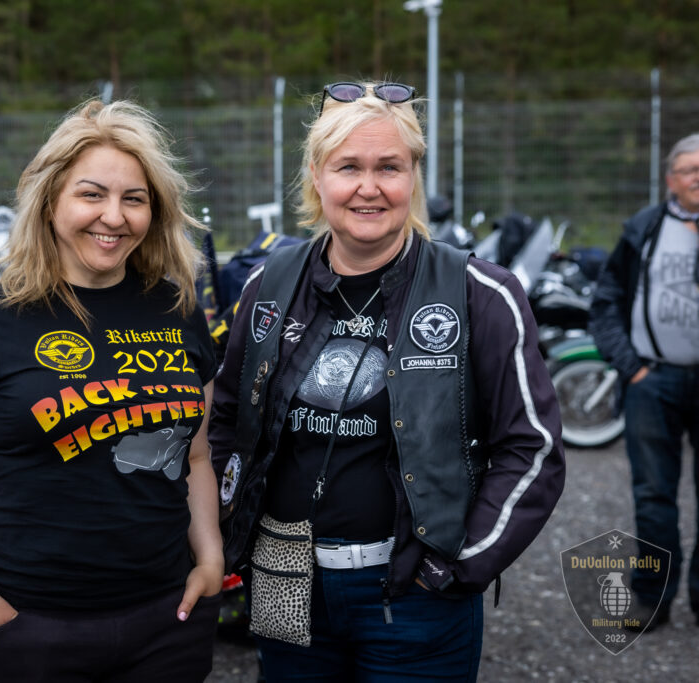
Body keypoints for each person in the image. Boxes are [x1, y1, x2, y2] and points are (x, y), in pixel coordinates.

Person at [209, 82, 566, 681]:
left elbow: (533, 447)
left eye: (389, 167)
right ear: (317, 176)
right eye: (348, 166)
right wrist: (226, 534)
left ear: (413, 177)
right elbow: (225, 422)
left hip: (416, 595)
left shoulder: (481, 292)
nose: (369, 187)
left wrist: (457, 566)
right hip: (282, 577)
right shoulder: (266, 284)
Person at [0, 99, 223, 683]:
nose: (114, 216)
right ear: (51, 201)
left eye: (134, 199)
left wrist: (209, 559)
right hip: (28, 626)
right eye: (91, 194)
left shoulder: (176, 309)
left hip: (166, 621)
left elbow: (196, 454)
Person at [590, 133, 699, 631]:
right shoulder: (644, 229)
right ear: (671, 180)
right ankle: (653, 599)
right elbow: (606, 300)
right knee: (654, 498)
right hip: (652, 381)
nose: (698, 178)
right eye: (689, 169)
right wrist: (630, 366)